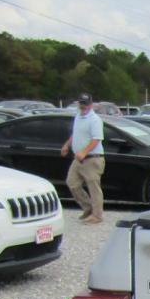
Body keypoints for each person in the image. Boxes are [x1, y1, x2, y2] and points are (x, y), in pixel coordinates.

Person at [62, 93, 105, 223]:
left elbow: (97, 139)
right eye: (82, 103)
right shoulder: (78, 117)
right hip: (78, 158)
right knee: (72, 183)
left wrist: (84, 152)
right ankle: (88, 207)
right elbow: (75, 134)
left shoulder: (95, 120)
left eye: (86, 104)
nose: (83, 106)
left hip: (92, 158)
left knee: (93, 187)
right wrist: (66, 145)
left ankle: (97, 215)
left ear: (91, 105)